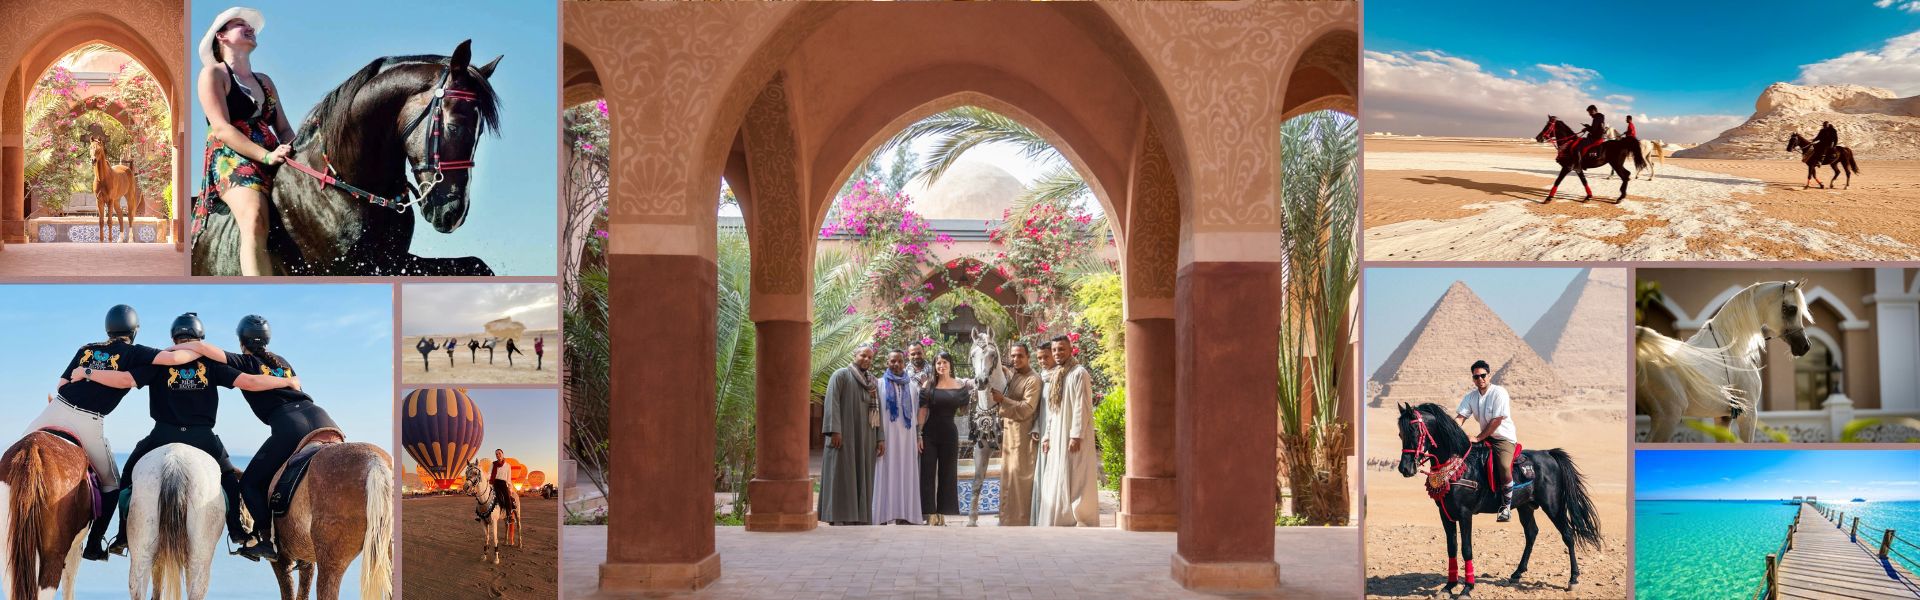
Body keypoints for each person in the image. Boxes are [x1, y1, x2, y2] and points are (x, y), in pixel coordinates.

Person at [90, 313, 298, 557]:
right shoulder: (211, 364)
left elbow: (126, 379)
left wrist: (89, 375)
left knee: (128, 474)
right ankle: (237, 531)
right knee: (229, 478)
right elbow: (249, 381)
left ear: (174, 338)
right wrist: (286, 382)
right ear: (200, 338)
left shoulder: (159, 361)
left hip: (163, 434)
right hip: (202, 437)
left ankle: (123, 534)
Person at [39, 305, 205, 560]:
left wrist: (87, 373)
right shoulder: (133, 352)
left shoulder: (86, 349)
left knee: (13, 455)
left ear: (108, 328)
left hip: (54, 410)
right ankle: (94, 544)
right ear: (134, 331)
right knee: (111, 484)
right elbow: (172, 360)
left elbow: (62, 384)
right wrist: (201, 348)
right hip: (87, 421)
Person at [172, 315, 337, 561]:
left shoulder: (245, 361)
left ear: (242, 341)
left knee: (249, 483)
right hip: (325, 420)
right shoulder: (282, 362)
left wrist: (172, 350)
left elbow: (204, 348)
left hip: (291, 425)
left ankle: (268, 541)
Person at [195, 7, 293, 276]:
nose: (250, 28)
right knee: (254, 218)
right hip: (233, 158)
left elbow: (284, 128)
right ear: (221, 36)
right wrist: (266, 156)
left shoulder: (265, 81)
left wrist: (296, 153)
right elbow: (222, 129)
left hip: (273, 152)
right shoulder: (213, 75)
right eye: (240, 24)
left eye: (250, 26)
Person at [1034, 336, 1099, 527]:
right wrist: (1047, 435)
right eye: (1054, 350)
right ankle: (1060, 518)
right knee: (1058, 474)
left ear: (1071, 350)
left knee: (1077, 475)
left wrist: (1076, 435)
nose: (1057, 353)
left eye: (1061, 349)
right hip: (1057, 434)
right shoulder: (1057, 375)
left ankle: (1081, 518)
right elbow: (1052, 410)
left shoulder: (1079, 373)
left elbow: (1082, 406)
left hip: (1073, 435)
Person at [819, 346, 882, 525]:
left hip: (866, 437)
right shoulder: (840, 375)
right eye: (863, 355)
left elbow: (878, 413)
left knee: (862, 475)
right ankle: (838, 516)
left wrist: (880, 437)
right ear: (855, 355)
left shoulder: (872, 382)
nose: (867, 359)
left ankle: (859, 517)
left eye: (870, 357)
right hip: (844, 435)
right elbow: (832, 403)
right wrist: (835, 430)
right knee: (841, 474)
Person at [1456, 359, 1518, 522]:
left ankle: (1506, 506)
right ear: (1473, 379)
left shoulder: (1499, 393)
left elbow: (1496, 421)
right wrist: (1451, 431)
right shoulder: (1471, 397)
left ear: (1489, 376)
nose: (1480, 379)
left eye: (1483, 375)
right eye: (1476, 377)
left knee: (1504, 465)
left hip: (1503, 438)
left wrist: (1477, 438)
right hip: (1486, 437)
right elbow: (1460, 417)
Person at [916, 353, 971, 526]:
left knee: (948, 473)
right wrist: (919, 434)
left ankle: (942, 513)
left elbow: (964, 410)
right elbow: (923, 410)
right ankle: (929, 513)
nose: (941, 366)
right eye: (938, 363)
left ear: (950, 364)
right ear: (935, 365)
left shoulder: (960, 386)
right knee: (927, 473)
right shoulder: (928, 384)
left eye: (944, 362)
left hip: (950, 433)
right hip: (929, 433)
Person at [992, 342, 1042, 526]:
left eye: (1020, 355)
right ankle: (1007, 518)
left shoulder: (1033, 379)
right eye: (1013, 356)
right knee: (1009, 477)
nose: (1016, 359)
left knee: (1021, 479)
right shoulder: (1016, 376)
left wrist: (1002, 400)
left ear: (1028, 357)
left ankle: (1022, 520)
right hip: (1010, 435)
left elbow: (1027, 408)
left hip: (1023, 436)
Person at [871, 350, 922, 525]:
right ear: (887, 362)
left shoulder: (912, 387)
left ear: (904, 363)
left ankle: (906, 514)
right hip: (886, 438)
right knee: (884, 472)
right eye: (893, 361)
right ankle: (882, 516)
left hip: (907, 439)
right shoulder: (879, 384)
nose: (896, 364)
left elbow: (916, 415)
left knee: (906, 473)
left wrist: (918, 437)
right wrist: (878, 438)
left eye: (900, 361)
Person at [1027, 342, 1058, 523]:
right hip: (1043, 431)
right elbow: (1040, 408)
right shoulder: (1042, 378)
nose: (1042, 361)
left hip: (1055, 432)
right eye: (1039, 358)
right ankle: (1041, 517)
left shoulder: (1060, 377)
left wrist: (1050, 433)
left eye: (1046, 356)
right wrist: (1037, 428)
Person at [487, 449, 519, 523]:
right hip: (494, 483)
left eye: (499, 453)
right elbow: (489, 474)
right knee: (485, 496)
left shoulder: (507, 466)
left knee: (507, 497)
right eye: (496, 454)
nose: (498, 455)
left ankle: (509, 515)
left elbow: (508, 478)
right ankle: (482, 514)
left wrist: (510, 488)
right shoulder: (493, 464)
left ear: (503, 454)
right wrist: (486, 479)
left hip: (503, 484)